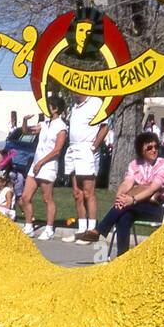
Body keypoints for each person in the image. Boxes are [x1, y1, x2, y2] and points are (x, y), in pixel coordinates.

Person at [75, 131, 164, 254]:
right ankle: (122, 257)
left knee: (125, 208)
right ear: (141, 150)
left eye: (156, 147)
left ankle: (98, 231)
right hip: (136, 206)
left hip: (159, 206)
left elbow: (152, 188)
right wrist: (120, 197)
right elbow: (127, 183)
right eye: (149, 147)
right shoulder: (134, 165)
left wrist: (132, 200)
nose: (154, 150)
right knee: (124, 216)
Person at [61, 94, 109, 242]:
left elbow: (105, 126)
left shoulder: (95, 102)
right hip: (73, 149)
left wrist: (94, 147)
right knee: (77, 193)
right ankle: (81, 231)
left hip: (87, 149)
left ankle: (91, 232)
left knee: (89, 192)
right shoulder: (74, 106)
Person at [20, 97, 68, 240]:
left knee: (47, 198)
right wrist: (24, 121)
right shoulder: (44, 123)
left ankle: (49, 229)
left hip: (48, 166)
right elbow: (26, 131)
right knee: (25, 197)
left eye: (49, 106)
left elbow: (57, 150)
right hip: (36, 165)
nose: (47, 108)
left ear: (56, 109)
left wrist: (41, 162)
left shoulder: (61, 127)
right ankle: (29, 226)